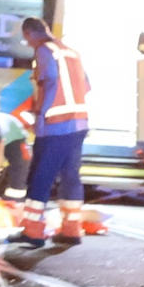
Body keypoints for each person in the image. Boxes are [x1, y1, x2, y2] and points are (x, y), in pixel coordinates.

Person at [11, 16, 90, 248]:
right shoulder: (71, 52)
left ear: (29, 34)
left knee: (40, 177)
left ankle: (34, 232)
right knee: (70, 176)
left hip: (56, 125)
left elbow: (52, 81)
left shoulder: (44, 51)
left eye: (27, 39)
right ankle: (72, 229)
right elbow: (86, 85)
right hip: (79, 123)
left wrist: (42, 117)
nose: (28, 44)